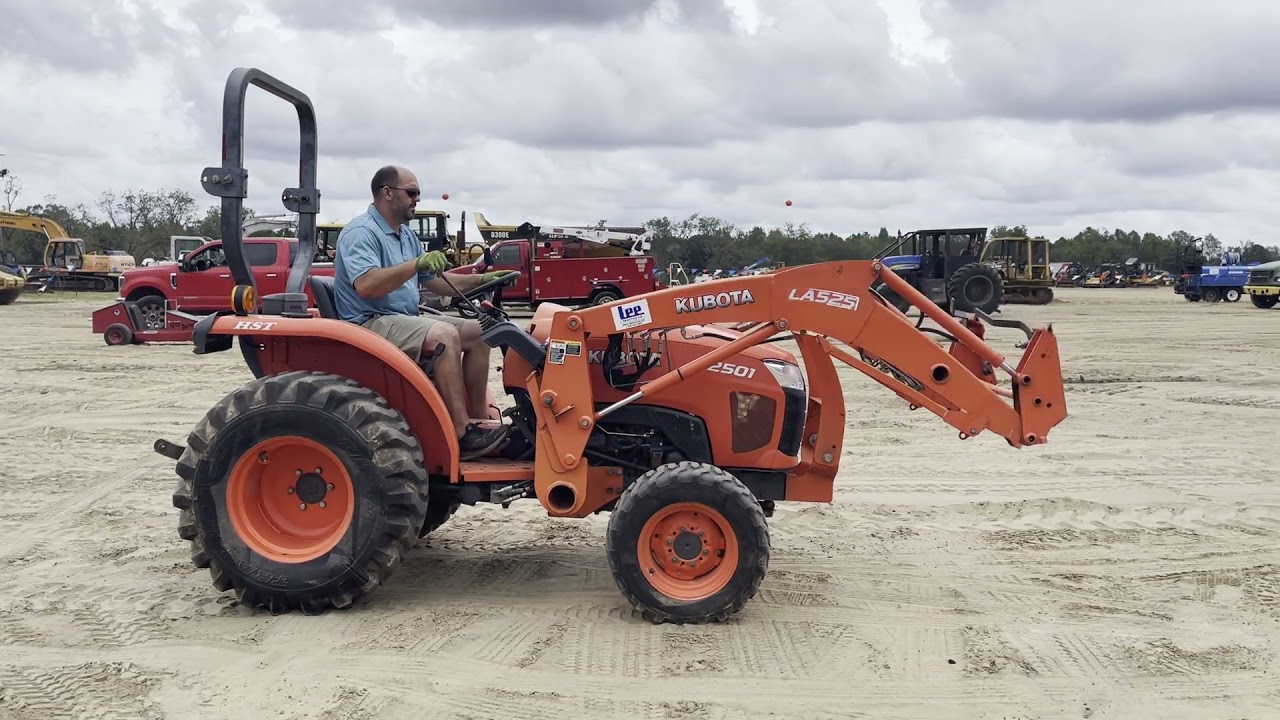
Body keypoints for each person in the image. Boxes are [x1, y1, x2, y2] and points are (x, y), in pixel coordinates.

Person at [333, 165, 517, 459]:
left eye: (417, 193)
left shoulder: (405, 236)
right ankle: (461, 433)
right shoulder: (361, 233)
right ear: (387, 193)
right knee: (443, 334)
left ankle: (480, 422)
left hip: (403, 318)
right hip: (369, 322)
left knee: (483, 332)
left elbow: (434, 281)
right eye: (412, 192)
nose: (417, 199)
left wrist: (481, 279)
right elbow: (366, 286)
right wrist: (415, 265)